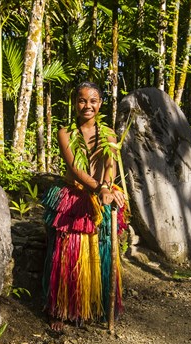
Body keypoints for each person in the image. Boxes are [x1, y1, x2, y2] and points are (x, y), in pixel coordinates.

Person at [42, 82, 128, 331]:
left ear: (100, 103)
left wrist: (109, 188)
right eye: (82, 100)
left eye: (93, 100)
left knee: (100, 250)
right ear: (75, 103)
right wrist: (99, 188)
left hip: (103, 194)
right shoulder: (65, 133)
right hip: (76, 194)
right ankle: (60, 309)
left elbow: (110, 167)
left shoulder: (109, 134)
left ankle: (96, 304)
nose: (87, 105)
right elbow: (76, 169)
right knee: (67, 253)